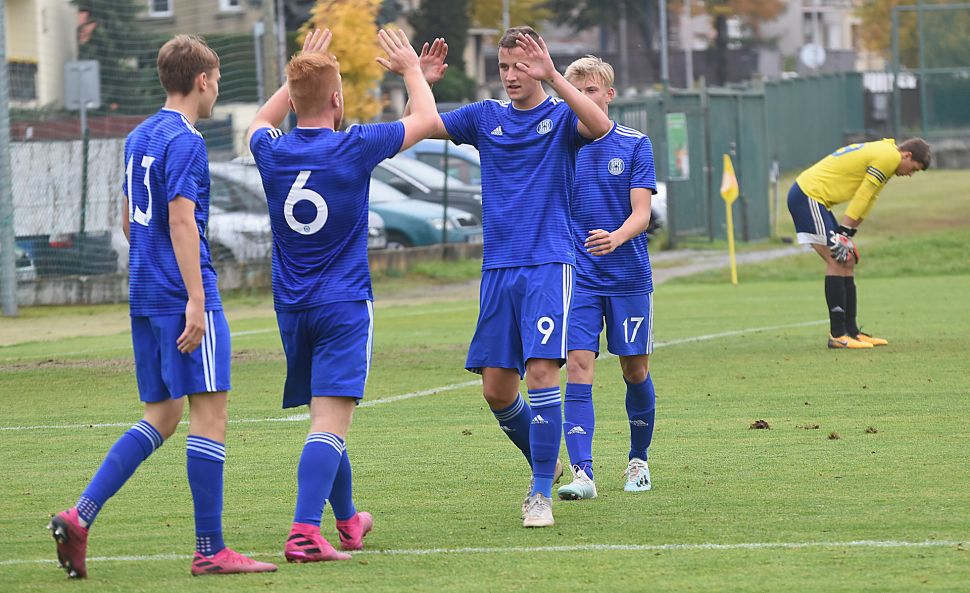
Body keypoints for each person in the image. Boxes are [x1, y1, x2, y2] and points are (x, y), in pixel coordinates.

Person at [47, 36, 277, 578]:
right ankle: (210, 548)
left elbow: (128, 222)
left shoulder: (137, 135)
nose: (218, 88)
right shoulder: (188, 141)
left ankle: (79, 516)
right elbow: (179, 220)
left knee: (163, 415)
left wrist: (159, 273)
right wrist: (197, 298)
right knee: (210, 414)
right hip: (182, 297)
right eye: (216, 79)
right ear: (202, 80)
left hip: (145, 295)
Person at [246, 28, 438, 561]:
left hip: (292, 307)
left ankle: (349, 521)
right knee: (331, 421)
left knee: (323, 415)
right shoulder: (354, 145)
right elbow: (423, 119)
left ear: (292, 99)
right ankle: (305, 532)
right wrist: (412, 71)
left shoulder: (272, 150)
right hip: (344, 305)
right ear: (338, 100)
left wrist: (301, 69)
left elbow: (260, 120)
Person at [415, 26, 612, 527]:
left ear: (539, 64)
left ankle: (540, 493)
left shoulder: (559, 115)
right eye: (503, 67)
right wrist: (421, 80)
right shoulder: (485, 117)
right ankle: (545, 461)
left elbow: (601, 125)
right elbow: (418, 126)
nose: (510, 76)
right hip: (498, 268)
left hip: (549, 263)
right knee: (497, 390)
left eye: (520, 66)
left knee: (543, 373)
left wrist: (555, 77)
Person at [554, 56, 659, 501]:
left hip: (628, 276)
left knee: (635, 370)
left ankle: (638, 461)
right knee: (578, 366)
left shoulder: (635, 144)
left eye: (591, 91)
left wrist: (616, 237)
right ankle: (582, 472)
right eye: (575, 91)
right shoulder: (559, 142)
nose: (582, 99)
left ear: (608, 95)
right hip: (579, 276)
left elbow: (642, 212)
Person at [787, 137, 930, 349]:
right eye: (913, 168)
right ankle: (837, 335)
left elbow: (870, 198)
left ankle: (852, 333)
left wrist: (849, 235)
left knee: (848, 259)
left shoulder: (887, 156)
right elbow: (862, 195)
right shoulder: (889, 156)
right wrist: (842, 234)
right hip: (807, 196)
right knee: (836, 259)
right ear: (907, 155)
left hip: (816, 199)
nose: (910, 174)